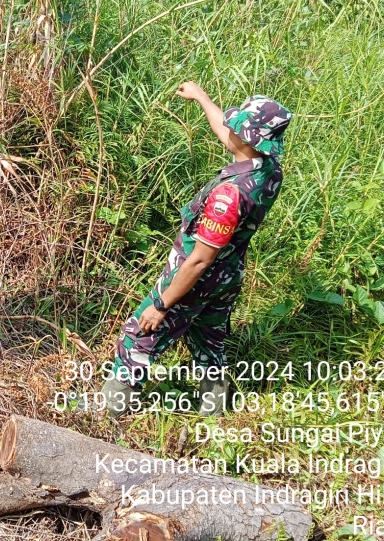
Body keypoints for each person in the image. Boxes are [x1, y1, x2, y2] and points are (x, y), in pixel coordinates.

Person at [101, 82, 292, 417]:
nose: (229, 128)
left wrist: (161, 304)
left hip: (194, 280)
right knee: (209, 344)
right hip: (228, 277)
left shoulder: (228, 196)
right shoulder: (268, 170)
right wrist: (202, 98)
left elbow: (200, 259)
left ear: (247, 138)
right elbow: (229, 135)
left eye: (237, 126)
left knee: (136, 341)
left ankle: (105, 417)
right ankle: (214, 419)